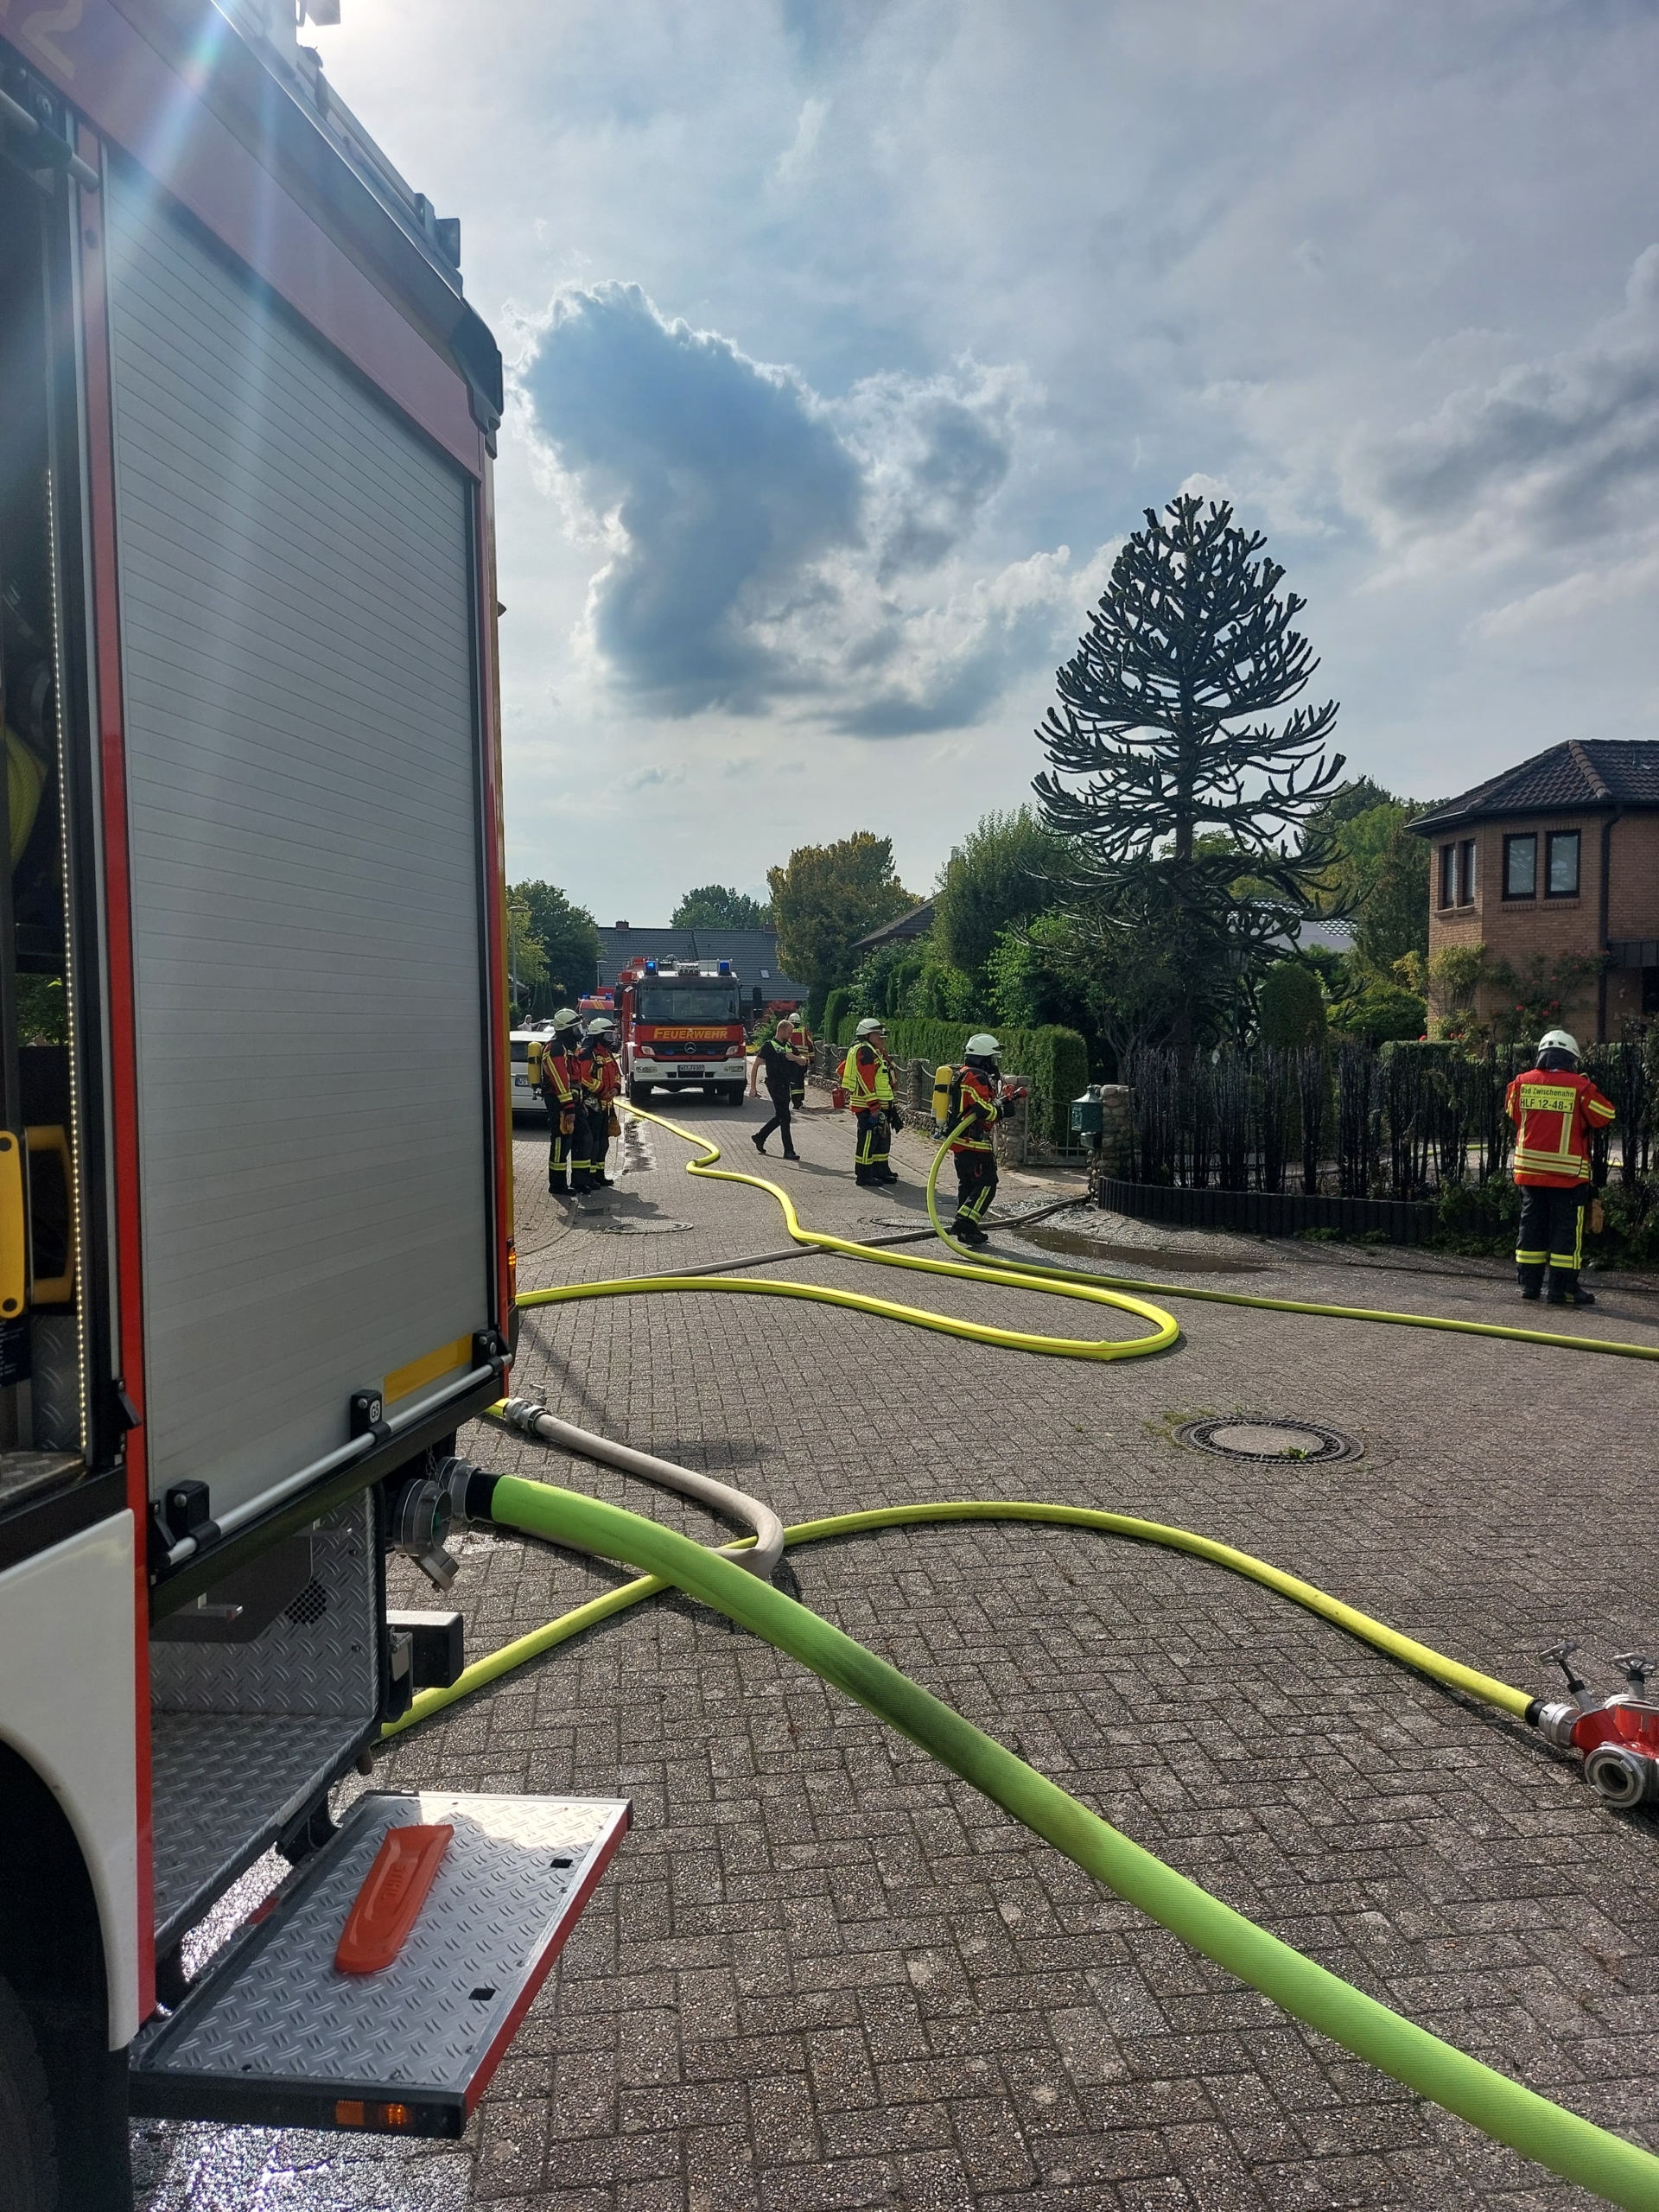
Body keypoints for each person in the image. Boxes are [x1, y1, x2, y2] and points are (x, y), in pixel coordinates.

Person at [1505, 1027, 1615, 1307]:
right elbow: (1605, 1115)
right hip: (1568, 1177)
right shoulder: (1580, 1087)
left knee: (1531, 1225)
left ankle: (1529, 1286)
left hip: (1530, 1173)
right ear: (1571, 1059)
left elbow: (1513, 1113)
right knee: (1566, 1231)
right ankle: (1563, 1290)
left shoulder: (1521, 1083)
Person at [945, 1033, 1026, 1245]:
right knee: (987, 1184)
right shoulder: (976, 1076)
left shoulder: (962, 1073)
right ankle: (964, 1222)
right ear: (983, 1058)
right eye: (992, 1058)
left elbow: (976, 1105)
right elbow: (983, 1111)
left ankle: (968, 1230)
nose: (994, 1063)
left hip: (961, 1142)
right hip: (974, 1144)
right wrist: (1003, 1111)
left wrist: (1003, 1101)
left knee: (968, 1186)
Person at [842, 1016, 900, 1185]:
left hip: (878, 1104)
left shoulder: (872, 1050)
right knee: (868, 1140)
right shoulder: (864, 1051)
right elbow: (865, 1080)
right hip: (868, 1105)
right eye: (877, 1034)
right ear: (866, 1034)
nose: (881, 1037)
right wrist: (874, 1105)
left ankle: (880, 1171)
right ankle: (864, 1175)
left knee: (880, 1139)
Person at [575, 1014, 623, 1191]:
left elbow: (616, 1073)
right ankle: (588, 1176)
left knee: (603, 1142)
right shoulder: (587, 1054)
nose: (610, 1038)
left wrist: (616, 1088)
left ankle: (599, 1175)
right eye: (607, 1035)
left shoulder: (607, 1053)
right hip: (592, 1104)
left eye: (611, 1035)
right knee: (593, 1143)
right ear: (598, 1036)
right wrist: (602, 1090)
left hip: (606, 1105)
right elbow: (583, 1077)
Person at [539, 1006, 583, 1193]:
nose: (578, 1031)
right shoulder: (555, 1048)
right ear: (566, 1029)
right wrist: (569, 1107)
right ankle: (557, 1185)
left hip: (568, 1102)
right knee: (560, 1142)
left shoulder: (566, 1048)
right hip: (559, 1103)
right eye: (575, 1028)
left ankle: (575, 1182)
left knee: (570, 1140)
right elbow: (560, 1080)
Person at [749, 1017, 807, 1159]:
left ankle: (760, 1136)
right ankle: (788, 1150)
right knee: (785, 1117)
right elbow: (755, 1065)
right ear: (781, 1030)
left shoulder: (789, 1046)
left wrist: (795, 1058)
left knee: (781, 1115)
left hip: (786, 1085)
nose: (790, 1036)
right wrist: (753, 1088)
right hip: (774, 1085)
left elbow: (804, 1061)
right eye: (789, 1033)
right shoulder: (769, 1046)